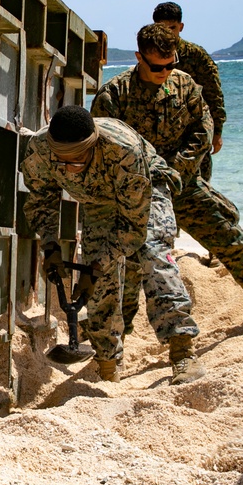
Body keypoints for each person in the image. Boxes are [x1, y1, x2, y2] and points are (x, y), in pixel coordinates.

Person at [91, 23, 243, 329]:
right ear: (138, 57)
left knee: (234, 243)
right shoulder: (114, 95)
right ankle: (117, 345)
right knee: (128, 270)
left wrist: (178, 167)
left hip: (183, 185)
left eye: (170, 65)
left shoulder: (185, 85)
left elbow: (202, 127)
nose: (164, 72)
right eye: (157, 66)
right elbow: (105, 147)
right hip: (136, 193)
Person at [21, 105, 205, 384]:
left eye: (77, 161)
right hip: (97, 201)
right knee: (100, 283)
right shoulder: (39, 150)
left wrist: (97, 265)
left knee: (154, 255)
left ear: (92, 146)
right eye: (62, 162)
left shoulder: (123, 150)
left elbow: (134, 228)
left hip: (145, 190)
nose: (69, 169)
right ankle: (107, 365)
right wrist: (51, 247)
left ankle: (183, 353)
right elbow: (41, 202)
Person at [152, 2, 225, 182]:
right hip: (159, 140)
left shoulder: (196, 56)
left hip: (193, 138)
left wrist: (217, 133)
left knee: (199, 188)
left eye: (173, 28)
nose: (168, 33)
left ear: (181, 27)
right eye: (163, 28)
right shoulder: (150, 54)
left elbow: (214, 94)